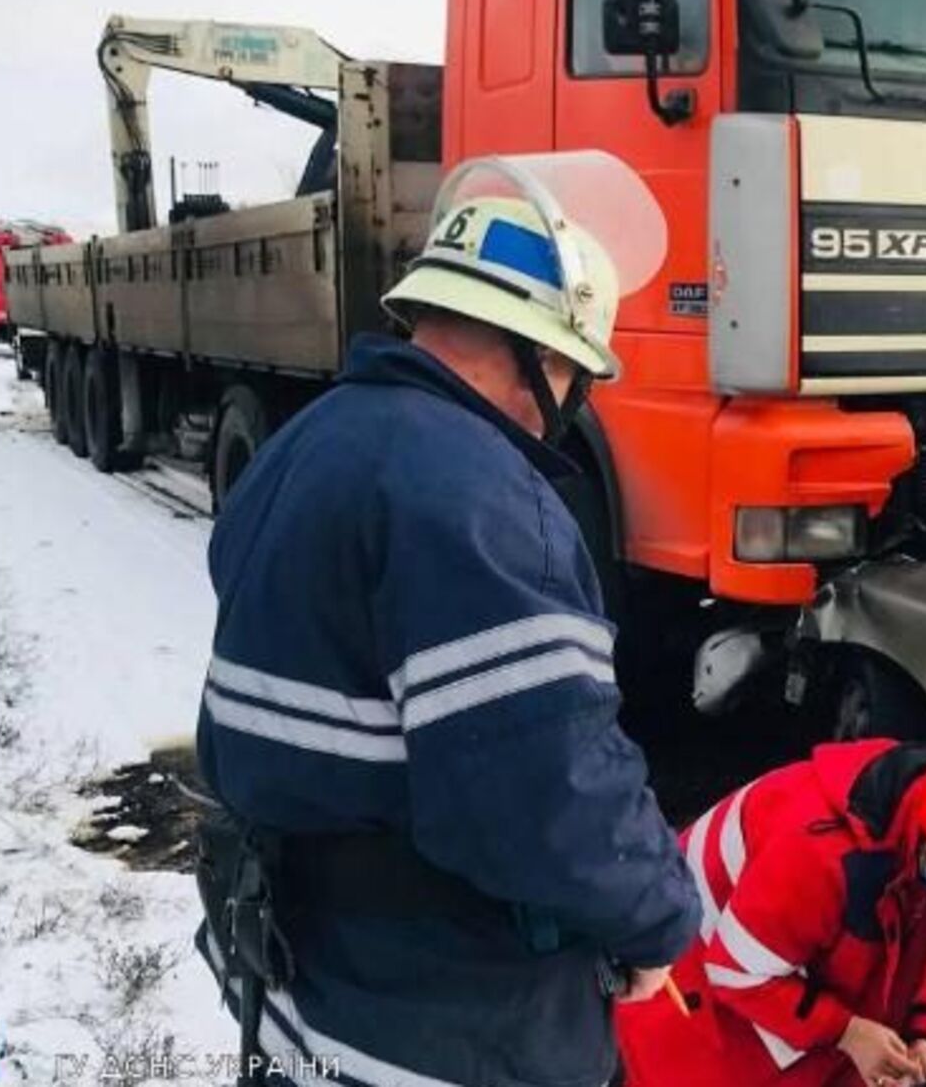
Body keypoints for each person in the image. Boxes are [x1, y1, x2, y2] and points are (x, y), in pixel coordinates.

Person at [191, 173, 700, 1087]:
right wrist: (656, 918)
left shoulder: (305, 446)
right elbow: (548, 788)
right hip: (437, 1020)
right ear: (546, 358)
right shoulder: (482, 500)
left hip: (295, 975)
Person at [615, 741, 926, 1087]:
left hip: (777, 992)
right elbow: (736, 973)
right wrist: (848, 1032)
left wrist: (920, 1034)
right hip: (686, 998)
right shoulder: (821, 853)